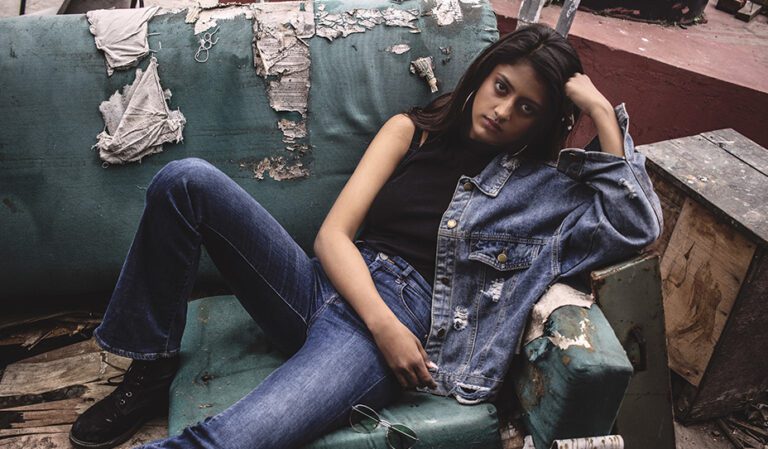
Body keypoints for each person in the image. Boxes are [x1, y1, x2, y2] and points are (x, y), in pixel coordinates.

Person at [69, 23, 662, 449]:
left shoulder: (541, 192)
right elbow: (333, 236)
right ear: (483, 76)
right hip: (334, 288)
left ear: (546, 119)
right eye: (502, 87)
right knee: (185, 180)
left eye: (529, 107)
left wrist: (601, 111)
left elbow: (635, 225)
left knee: (228, 441)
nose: (504, 110)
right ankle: (150, 367)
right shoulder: (413, 129)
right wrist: (381, 321)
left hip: (399, 326)